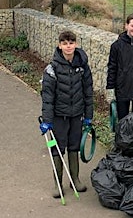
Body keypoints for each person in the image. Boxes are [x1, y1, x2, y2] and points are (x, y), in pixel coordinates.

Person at [40, 30, 93, 198]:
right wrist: (47, 121)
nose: (68, 46)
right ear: (59, 45)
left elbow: (88, 92)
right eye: (65, 43)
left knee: (74, 146)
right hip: (58, 116)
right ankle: (58, 183)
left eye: (71, 43)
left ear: (75, 44)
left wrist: (88, 116)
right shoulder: (51, 69)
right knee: (57, 148)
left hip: (77, 115)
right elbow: (47, 97)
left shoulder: (83, 66)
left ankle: (75, 179)